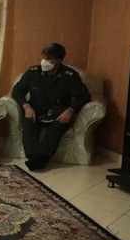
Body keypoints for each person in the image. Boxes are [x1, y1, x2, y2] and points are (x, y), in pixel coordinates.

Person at [11, 42, 91, 171]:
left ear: (59, 61)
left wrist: (70, 111)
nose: (44, 61)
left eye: (49, 59)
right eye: (43, 57)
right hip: (35, 110)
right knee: (28, 122)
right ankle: (35, 157)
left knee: (57, 127)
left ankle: (38, 160)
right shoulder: (33, 72)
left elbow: (83, 96)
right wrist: (26, 106)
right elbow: (17, 91)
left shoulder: (70, 76)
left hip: (58, 112)